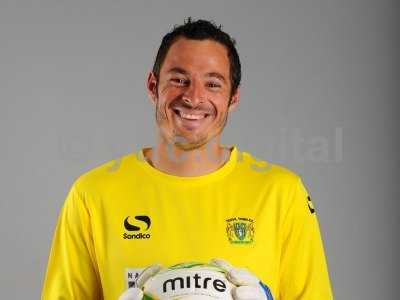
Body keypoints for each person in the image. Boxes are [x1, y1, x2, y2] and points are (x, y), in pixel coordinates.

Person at [41, 18, 334, 300]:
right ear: (153, 86)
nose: (194, 97)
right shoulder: (92, 194)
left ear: (233, 98)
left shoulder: (283, 193)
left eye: (213, 84)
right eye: (180, 79)